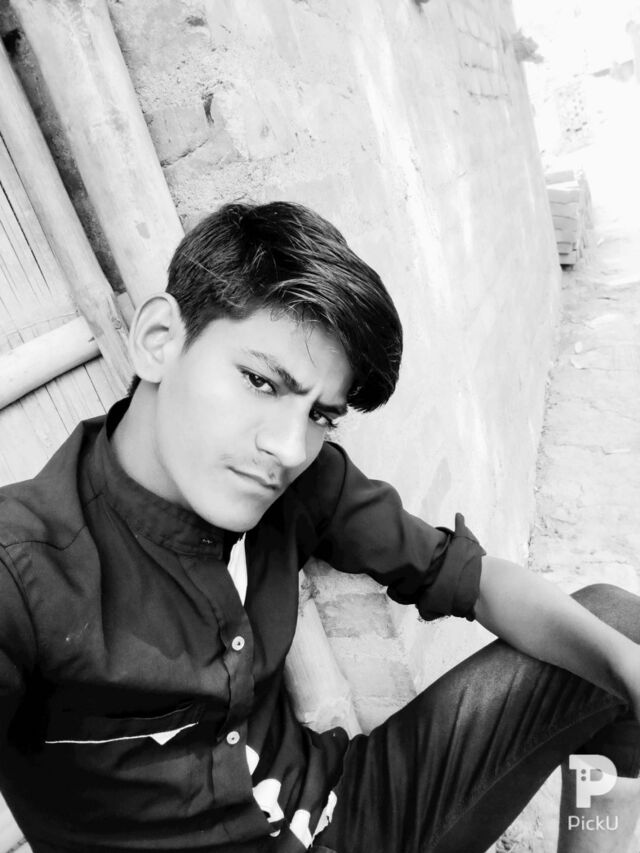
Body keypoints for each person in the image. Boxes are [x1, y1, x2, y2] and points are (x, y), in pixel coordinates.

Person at [0, 201, 638, 853]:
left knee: (617, 629)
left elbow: (471, 578)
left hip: (346, 809)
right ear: (159, 338)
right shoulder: (22, 572)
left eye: (321, 415)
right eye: (261, 381)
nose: (287, 446)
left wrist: (628, 670)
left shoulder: (303, 482)